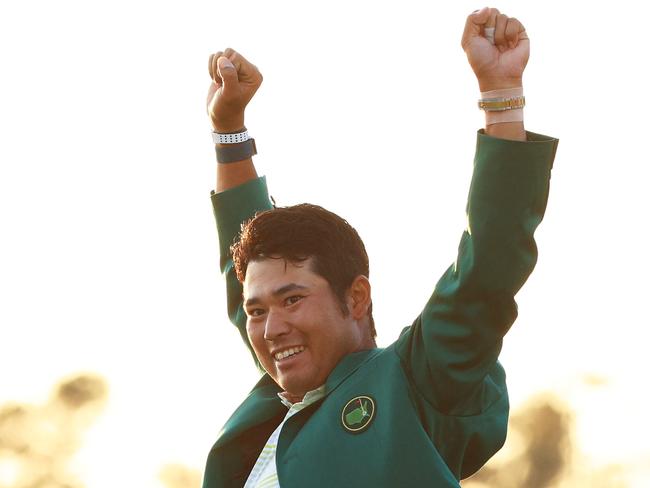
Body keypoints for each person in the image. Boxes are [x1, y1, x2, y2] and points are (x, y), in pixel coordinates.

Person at [202, 7, 559, 488]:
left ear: (356, 297)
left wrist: (501, 97)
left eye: (292, 300)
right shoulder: (271, 415)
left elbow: (487, 270)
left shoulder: (415, 381)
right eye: (257, 311)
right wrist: (229, 132)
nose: (271, 328)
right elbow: (240, 269)